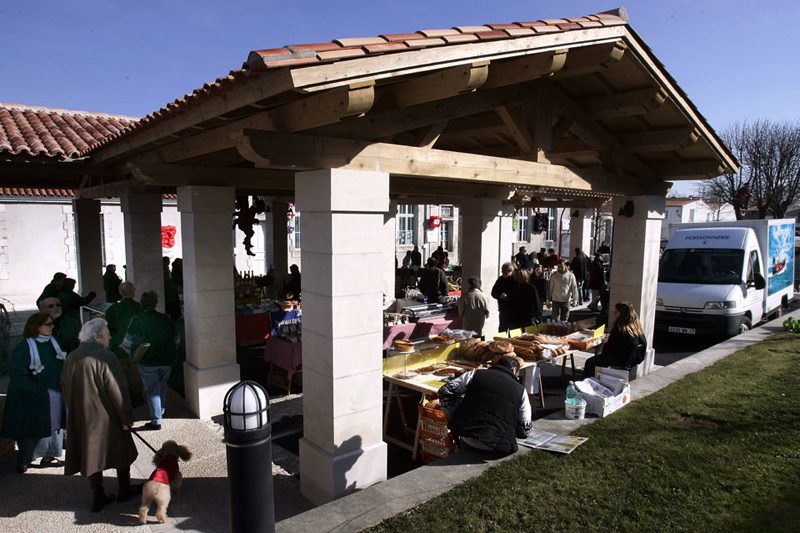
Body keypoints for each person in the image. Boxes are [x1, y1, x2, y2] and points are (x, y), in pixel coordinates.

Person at [62, 318, 140, 512]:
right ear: (97, 337)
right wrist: (126, 419)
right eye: (107, 335)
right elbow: (117, 390)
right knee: (123, 453)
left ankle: (98, 496)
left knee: (91, 456)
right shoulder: (106, 356)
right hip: (108, 417)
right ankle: (125, 490)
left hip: (83, 416)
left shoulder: (72, 356)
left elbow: (65, 386)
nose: (110, 338)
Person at [0, 313, 67, 473]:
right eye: (48, 324)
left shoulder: (53, 343)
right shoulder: (24, 347)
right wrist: (36, 391)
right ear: (36, 327)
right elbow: (18, 374)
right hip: (32, 397)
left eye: (52, 324)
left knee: (53, 426)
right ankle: (24, 460)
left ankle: (49, 455)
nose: (52, 327)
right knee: (30, 430)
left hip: (53, 392)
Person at [438, 355, 532, 455]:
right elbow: (524, 431)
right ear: (514, 370)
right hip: (498, 445)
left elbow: (445, 392)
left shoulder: (475, 374)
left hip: (466, 435)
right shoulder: (521, 391)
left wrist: (456, 416)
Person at [122, 291, 179, 431]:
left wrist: (131, 354)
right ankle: (160, 411)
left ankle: (156, 420)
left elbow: (127, 342)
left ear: (142, 303)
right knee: (163, 385)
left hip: (147, 360)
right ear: (156, 302)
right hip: (167, 358)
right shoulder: (166, 318)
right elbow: (176, 339)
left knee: (152, 389)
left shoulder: (137, 319)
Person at [583, 302, 647, 378]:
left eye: (616, 311)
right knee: (597, 359)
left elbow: (610, 347)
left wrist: (603, 345)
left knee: (590, 362)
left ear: (621, 313)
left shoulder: (620, 328)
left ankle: (588, 381)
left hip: (619, 359)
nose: (614, 313)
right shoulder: (636, 327)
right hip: (629, 360)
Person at [105, 281, 144, 404]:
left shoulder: (112, 310)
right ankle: (137, 399)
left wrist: (114, 343)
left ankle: (124, 400)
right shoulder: (140, 308)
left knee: (121, 376)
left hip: (119, 347)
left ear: (120, 293)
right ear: (133, 292)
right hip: (136, 347)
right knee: (136, 376)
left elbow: (108, 330)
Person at [491, 262, 515, 332]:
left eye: (503, 269)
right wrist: (500, 295)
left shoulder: (514, 280)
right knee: (502, 329)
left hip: (513, 309)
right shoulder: (500, 279)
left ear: (509, 270)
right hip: (503, 309)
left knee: (513, 330)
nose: (501, 271)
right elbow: (493, 292)